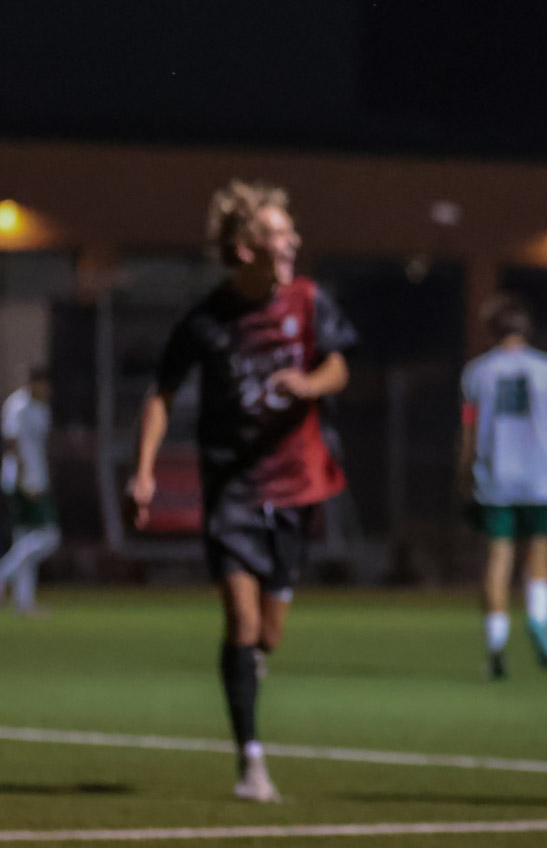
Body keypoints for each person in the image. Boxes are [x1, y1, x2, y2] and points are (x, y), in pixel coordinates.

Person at [129, 180, 356, 803]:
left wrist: (309, 385)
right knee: (242, 619)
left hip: (297, 485)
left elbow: (339, 365)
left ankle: (248, 669)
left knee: (269, 636)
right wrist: (144, 470)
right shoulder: (206, 321)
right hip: (231, 490)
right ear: (245, 247)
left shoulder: (309, 300)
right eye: (279, 232)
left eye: (291, 229)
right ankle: (251, 762)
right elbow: (161, 395)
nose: (293, 240)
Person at [457, 295, 547, 679]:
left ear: (491, 331)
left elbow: (469, 432)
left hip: (495, 479)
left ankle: (496, 646)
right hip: (540, 480)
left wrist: (463, 477)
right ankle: (538, 622)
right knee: (539, 558)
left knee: (497, 560)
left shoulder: (477, 372)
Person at [0, 366, 57, 616]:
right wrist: (25, 480)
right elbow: (11, 443)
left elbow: (40, 448)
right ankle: (2, 574)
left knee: (24, 538)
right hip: (23, 482)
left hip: (37, 480)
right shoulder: (18, 406)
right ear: (34, 383)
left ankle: (24, 601)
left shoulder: (42, 409)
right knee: (50, 536)